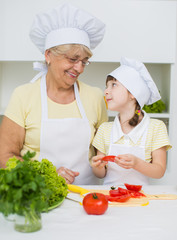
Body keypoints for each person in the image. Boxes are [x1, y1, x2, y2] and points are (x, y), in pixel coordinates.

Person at [0, 3, 108, 184]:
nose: (79, 68)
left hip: (87, 199)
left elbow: (103, 156)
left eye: (84, 61)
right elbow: (5, 157)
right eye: (73, 59)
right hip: (39, 199)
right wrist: (45, 176)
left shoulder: (95, 97)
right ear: (48, 55)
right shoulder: (23, 96)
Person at [91, 57, 171, 185]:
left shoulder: (156, 127)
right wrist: (97, 167)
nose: (106, 91)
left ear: (133, 93)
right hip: (110, 197)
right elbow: (101, 174)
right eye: (106, 86)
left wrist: (137, 163)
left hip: (140, 198)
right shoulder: (105, 129)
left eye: (114, 85)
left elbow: (159, 171)